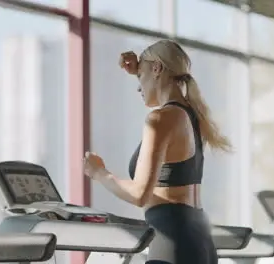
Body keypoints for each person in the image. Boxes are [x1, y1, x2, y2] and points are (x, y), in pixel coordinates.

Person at [83, 39, 231, 264]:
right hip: (199, 239)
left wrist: (99, 173)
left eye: (141, 76)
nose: (137, 86)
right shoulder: (189, 115)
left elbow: (140, 194)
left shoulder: (161, 118)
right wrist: (140, 71)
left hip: (172, 241)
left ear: (157, 68)